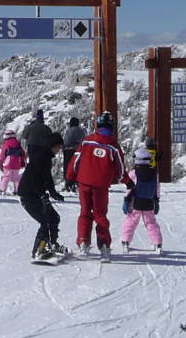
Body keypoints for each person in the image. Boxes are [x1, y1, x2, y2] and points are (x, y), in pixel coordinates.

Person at [68, 111, 126, 261]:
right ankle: (104, 247)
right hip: (100, 186)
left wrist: (71, 176)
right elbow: (120, 168)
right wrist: (127, 181)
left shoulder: (87, 141)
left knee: (85, 213)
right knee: (100, 215)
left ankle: (83, 243)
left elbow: (76, 160)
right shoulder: (113, 146)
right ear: (112, 127)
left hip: (84, 183)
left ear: (98, 125)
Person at [19, 132, 66, 259]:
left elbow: (47, 177)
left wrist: (53, 192)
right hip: (28, 195)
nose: (59, 150)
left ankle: (51, 244)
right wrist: (42, 195)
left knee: (54, 218)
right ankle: (39, 250)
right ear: (53, 145)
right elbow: (35, 179)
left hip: (35, 194)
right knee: (45, 221)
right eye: (59, 147)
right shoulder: (40, 157)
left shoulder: (46, 157)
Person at [121, 147, 163, 253]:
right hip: (149, 202)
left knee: (130, 222)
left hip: (135, 203)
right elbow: (156, 188)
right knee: (151, 223)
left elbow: (130, 189)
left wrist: (126, 201)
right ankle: (157, 244)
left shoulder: (133, 173)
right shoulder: (155, 174)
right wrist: (156, 201)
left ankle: (125, 242)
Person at [61, 116, 86, 193]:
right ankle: (76, 183)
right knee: (77, 166)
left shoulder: (69, 131)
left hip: (68, 150)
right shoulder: (81, 131)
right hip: (78, 150)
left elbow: (66, 141)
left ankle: (68, 183)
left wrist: (63, 147)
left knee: (67, 166)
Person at [0, 129, 26, 195]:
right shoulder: (18, 143)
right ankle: (18, 191)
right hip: (17, 164)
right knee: (16, 178)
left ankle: (2, 190)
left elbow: (2, 155)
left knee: (6, 177)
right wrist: (22, 162)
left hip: (8, 163)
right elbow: (23, 154)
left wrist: (1, 163)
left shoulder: (6, 143)